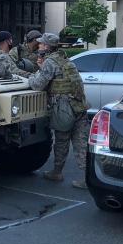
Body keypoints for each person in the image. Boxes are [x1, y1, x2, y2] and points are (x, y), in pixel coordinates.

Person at [28, 32, 90, 190]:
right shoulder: (65, 59)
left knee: (61, 141)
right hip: (79, 105)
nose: (39, 45)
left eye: (41, 44)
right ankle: (88, 178)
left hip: (64, 108)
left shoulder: (50, 62)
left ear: (47, 47)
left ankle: (57, 172)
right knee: (81, 143)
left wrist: (32, 75)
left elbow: (37, 84)